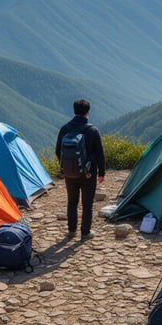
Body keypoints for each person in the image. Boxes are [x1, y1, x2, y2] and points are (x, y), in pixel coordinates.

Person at [55, 98, 106, 240]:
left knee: (72, 202)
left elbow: (58, 150)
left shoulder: (65, 129)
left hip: (69, 174)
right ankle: (85, 233)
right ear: (87, 112)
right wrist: (101, 173)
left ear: (74, 111)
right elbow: (100, 153)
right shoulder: (92, 130)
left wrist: (66, 166)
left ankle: (71, 231)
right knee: (87, 204)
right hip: (88, 174)